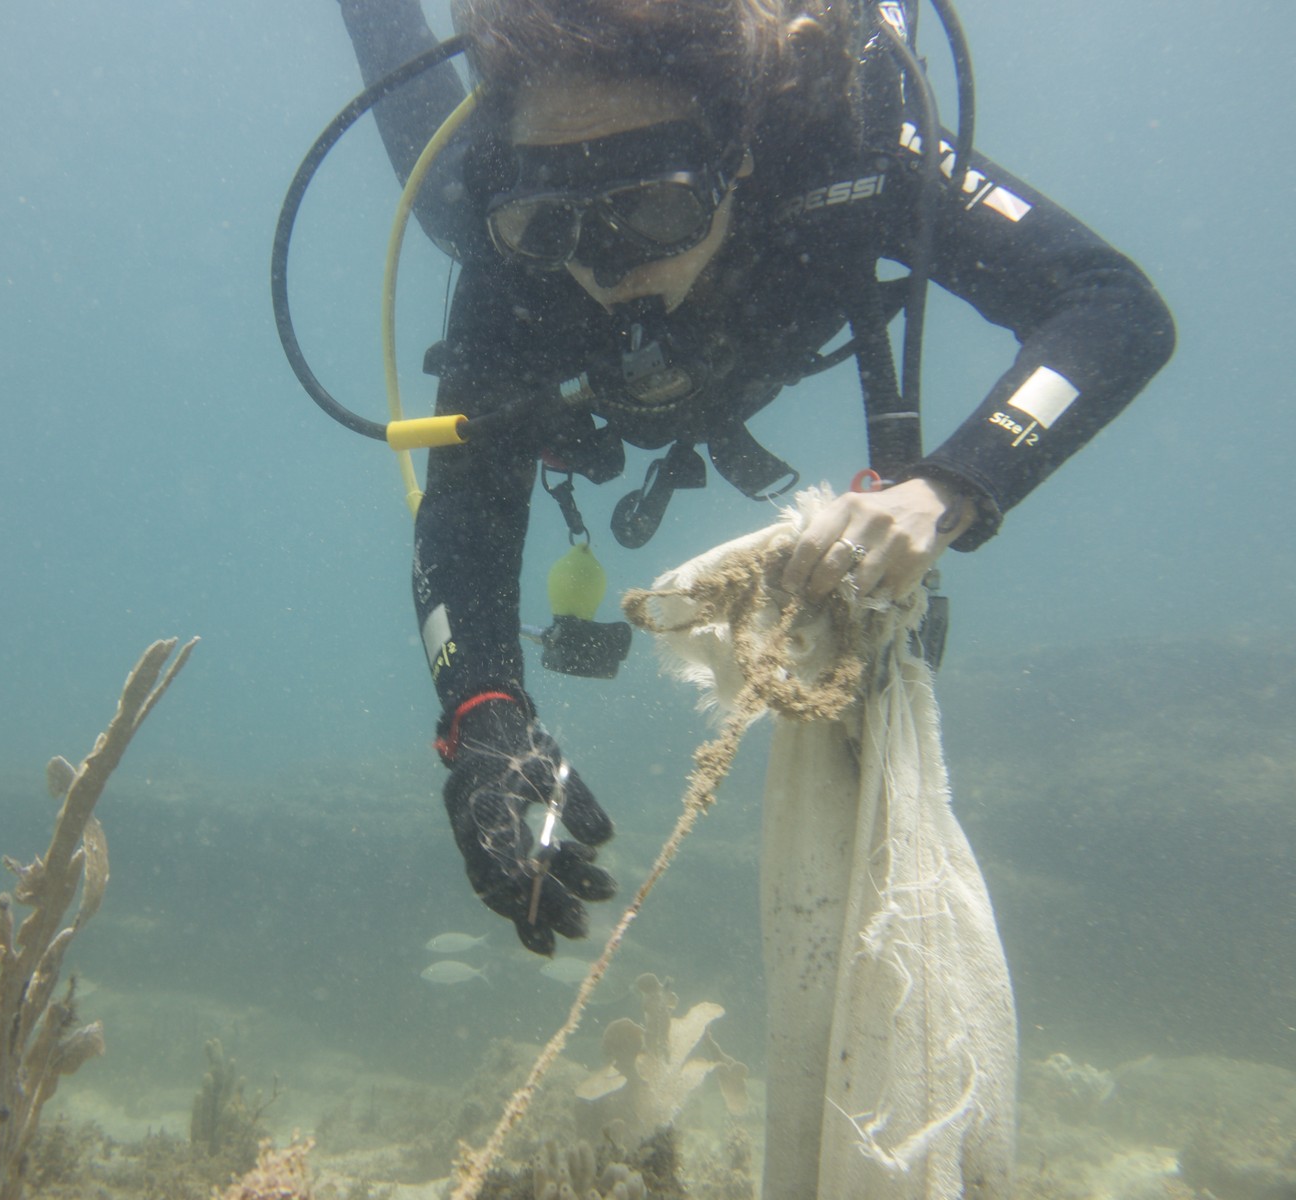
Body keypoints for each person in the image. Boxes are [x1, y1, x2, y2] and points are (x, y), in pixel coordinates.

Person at [330, 0, 1174, 955]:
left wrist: (948, 487)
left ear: (737, 156)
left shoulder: (847, 155)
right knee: (435, 179)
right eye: (549, 224)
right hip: (519, 233)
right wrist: (483, 724)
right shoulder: (499, 238)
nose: (608, 268)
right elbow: (466, 511)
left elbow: (1113, 309)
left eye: (653, 208)